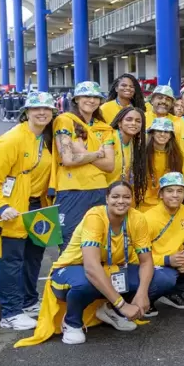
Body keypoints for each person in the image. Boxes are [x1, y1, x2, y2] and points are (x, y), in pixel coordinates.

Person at [17, 181, 154, 346]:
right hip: (72, 268)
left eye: (126, 197)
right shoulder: (95, 216)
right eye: (115, 197)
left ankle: (109, 310)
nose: (121, 201)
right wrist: (122, 304)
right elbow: (91, 267)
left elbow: (146, 261)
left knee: (158, 278)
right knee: (87, 281)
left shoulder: (137, 218)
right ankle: (72, 322)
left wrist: (142, 293)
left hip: (107, 267)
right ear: (106, 198)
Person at [0, 92, 56, 331]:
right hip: (10, 210)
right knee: (11, 260)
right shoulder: (11, 139)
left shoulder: (47, 137)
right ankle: (10, 312)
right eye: (36, 108)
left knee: (33, 257)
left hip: (38, 207)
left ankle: (29, 302)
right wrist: (1, 206)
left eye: (46, 109)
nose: (42, 113)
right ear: (27, 112)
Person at [54, 81, 116, 247]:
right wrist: (96, 154)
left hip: (99, 188)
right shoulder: (64, 120)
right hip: (71, 188)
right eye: (86, 96)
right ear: (76, 99)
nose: (92, 100)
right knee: (69, 240)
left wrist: (82, 152)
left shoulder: (104, 128)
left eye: (96, 97)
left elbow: (109, 165)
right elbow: (68, 159)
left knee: (97, 239)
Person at [143, 172, 184, 313]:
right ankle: (146, 300)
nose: (175, 195)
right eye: (169, 191)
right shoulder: (148, 218)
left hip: (179, 260)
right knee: (165, 279)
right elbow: (136, 255)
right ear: (161, 194)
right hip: (156, 263)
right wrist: (166, 260)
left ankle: (170, 293)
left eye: (180, 191)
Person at [108, 107, 148, 206]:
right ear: (119, 123)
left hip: (119, 195)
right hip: (101, 192)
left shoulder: (134, 144)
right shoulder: (109, 137)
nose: (133, 123)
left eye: (138, 121)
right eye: (129, 119)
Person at [140, 118, 183, 210]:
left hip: (167, 203)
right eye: (159, 131)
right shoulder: (141, 154)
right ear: (152, 133)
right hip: (143, 203)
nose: (162, 134)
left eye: (166, 131)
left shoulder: (176, 156)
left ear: (171, 136)